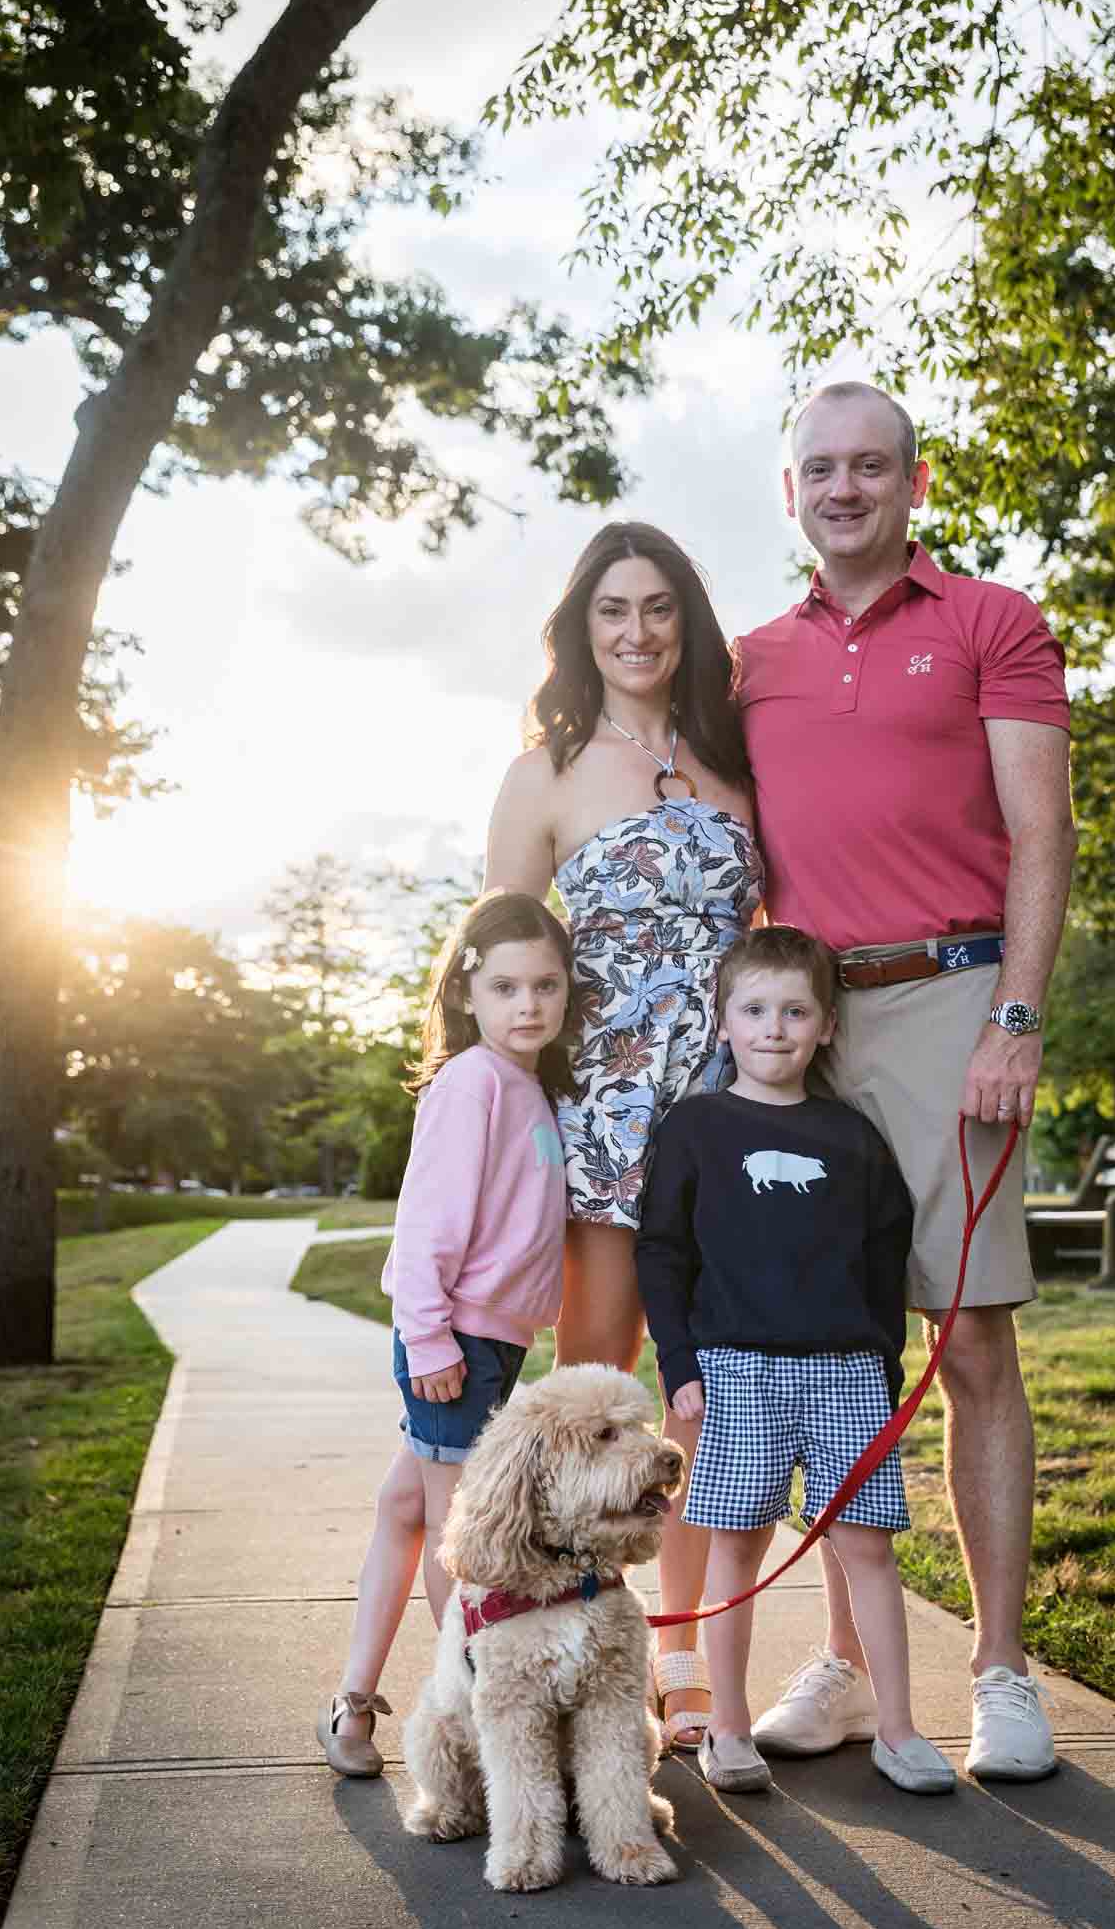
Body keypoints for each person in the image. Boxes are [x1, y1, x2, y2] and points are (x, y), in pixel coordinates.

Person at [735, 381, 1077, 1780]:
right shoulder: (748, 660)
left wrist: (1016, 1014)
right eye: (820, 468)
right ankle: (854, 1668)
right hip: (804, 1026)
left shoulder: (992, 622)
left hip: (950, 999)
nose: (845, 488)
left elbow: (1042, 832)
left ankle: (1000, 1671)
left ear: (914, 483)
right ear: (790, 492)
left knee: (973, 1343)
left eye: (871, 466)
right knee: (829, 1358)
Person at [484, 520, 762, 1749]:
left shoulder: (734, 756)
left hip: (724, 1130)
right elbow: (497, 963)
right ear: (580, 627)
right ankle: (562, 1653)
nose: (637, 630)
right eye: (612, 609)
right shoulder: (542, 769)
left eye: (658, 606)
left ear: (686, 620)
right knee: (593, 1405)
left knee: (704, 1402)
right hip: (599, 1129)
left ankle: (682, 1651)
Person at [635, 925, 955, 1796]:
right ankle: (729, 1730)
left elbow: (885, 1251)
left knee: (867, 1549)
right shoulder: (696, 1127)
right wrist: (679, 1364)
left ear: (824, 1027)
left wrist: (880, 1363)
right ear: (723, 1020)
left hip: (846, 1374)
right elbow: (661, 1250)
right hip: (735, 1370)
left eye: (793, 1011)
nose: (773, 1027)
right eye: (753, 1009)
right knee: (733, 1551)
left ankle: (897, 1729)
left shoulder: (850, 1138)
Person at [316, 890, 574, 1775]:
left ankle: (352, 1707)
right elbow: (427, 1225)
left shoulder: (525, 1083)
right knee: (464, 1539)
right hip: (452, 1343)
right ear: (468, 994)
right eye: (506, 987)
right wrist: (427, 1340)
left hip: (489, 1343)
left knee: (404, 1510)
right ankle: (474, 1731)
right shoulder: (471, 1084)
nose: (528, 1005)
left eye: (546, 985)